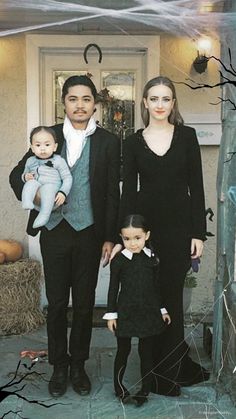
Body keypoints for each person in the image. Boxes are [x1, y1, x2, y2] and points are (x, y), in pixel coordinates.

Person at [9, 75, 120, 398]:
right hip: (54, 232)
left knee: (84, 304)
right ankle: (59, 365)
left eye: (86, 99)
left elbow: (113, 193)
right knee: (57, 304)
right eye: (73, 99)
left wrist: (110, 237)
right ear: (64, 103)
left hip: (89, 232)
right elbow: (18, 175)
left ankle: (78, 365)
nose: (80, 105)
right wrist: (38, 197)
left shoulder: (109, 142)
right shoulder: (49, 136)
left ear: (95, 104)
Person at [113, 76, 209, 396]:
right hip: (145, 231)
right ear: (144, 103)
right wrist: (122, 236)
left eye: (165, 99)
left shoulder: (187, 136)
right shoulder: (133, 140)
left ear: (173, 103)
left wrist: (198, 233)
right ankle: (149, 373)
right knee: (148, 300)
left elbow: (197, 187)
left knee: (171, 302)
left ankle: (170, 372)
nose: (159, 105)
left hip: (179, 230)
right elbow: (128, 193)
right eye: (153, 99)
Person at [103, 214, 171, 406]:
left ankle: (145, 390)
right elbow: (112, 288)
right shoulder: (119, 261)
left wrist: (162, 310)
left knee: (145, 352)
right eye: (126, 239)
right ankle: (119, 388)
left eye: (137, 238)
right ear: (121, 237)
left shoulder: (152, 259)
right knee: (122, 350)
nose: (132, 243)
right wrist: (111, 314)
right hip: (126, 313)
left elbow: (157, 288)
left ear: (146, 235)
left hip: (148, 312)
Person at [22, 126, 72, 229]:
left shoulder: (59, 161)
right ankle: (27, 202)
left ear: (54, 147)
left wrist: (63, 192)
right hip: (36, 193)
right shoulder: (30, 161)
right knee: (30, 183)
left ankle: (44, 215)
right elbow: (24, 174)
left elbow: (67, 178)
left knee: (47, 188)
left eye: (47, 144)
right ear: (32, 148)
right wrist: (26, 177)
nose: (43, 148)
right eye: (38, 145)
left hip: (53, 192)